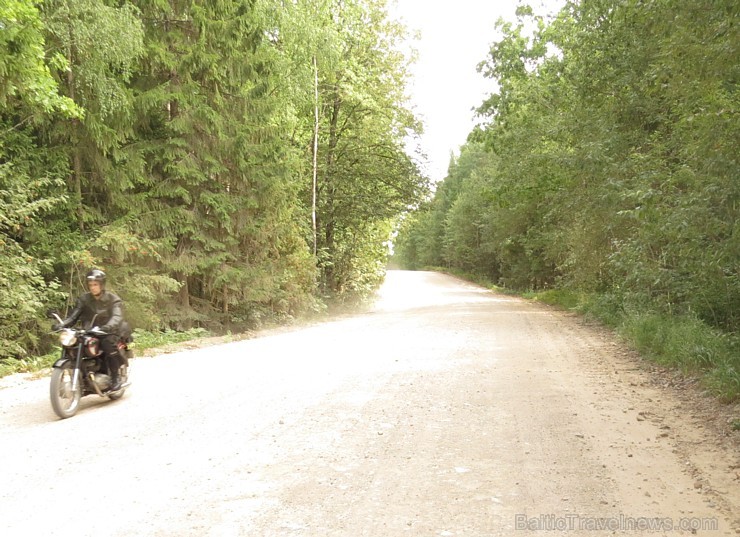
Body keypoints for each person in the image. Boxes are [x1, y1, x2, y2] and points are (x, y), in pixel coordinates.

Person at [56, 269, 130, 391]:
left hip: (109, 331)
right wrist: (62, 324)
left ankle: (115, 377)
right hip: (89, 330)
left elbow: (117, 317)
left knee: (107, 343)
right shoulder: (84, 299)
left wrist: (107, 327)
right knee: (74, 344)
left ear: (101, 285)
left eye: (95, 285)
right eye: (90, 285)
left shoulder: (113, 299)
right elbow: (74, 316)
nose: (93, 287)